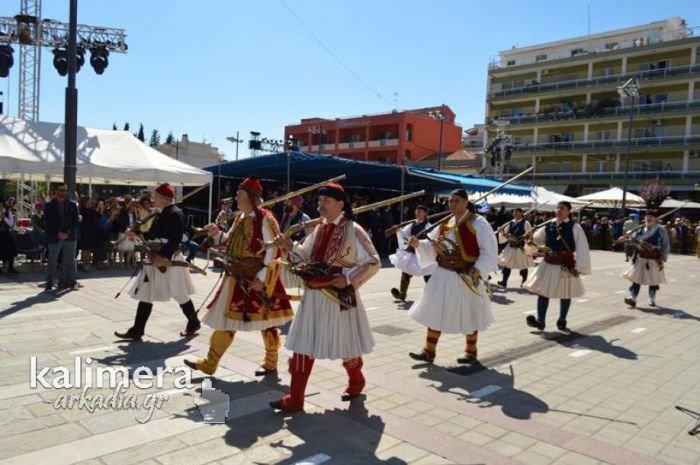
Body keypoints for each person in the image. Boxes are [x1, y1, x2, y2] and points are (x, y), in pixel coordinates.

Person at [270, 182, 380, 412]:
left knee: (347, 343)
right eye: (320, 201)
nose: (321, 205)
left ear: (340, 204)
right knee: (302, 342)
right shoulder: (318, 229)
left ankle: (356, 380)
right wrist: (289, 247)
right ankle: (296, 398)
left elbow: (373, 260)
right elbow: (303, 257)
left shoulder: (354, 230)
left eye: (326, 201)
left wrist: (349, 279)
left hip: (339, 295)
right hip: (313, 293)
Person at [185, 178, 293, 376]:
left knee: (267, 322)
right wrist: (217, 234)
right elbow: (230, 243)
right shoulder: (239, 218)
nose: (235, 197)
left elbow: (274, 251)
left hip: (257, 279)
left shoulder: (266, 219)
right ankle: (210, 362)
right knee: (226, 320)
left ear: (251, 197)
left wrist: (262, 279)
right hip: (237, 276)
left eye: (240, 194)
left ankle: (271, 362)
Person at [406, 189, 498, 364]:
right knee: (435, 309)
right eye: (450, 201)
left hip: (465, 274)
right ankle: (428, 351)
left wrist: (479, 268)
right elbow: (433, 245)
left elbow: (490, 250)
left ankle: (471, 351)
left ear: (466, 202)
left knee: (469, 312)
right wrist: (419, 244)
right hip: (442, 273)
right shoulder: (446, 223)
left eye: (456, 201)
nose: (452, 204)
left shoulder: (478, 223)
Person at [114, 183, 200, 341]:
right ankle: (137, 330)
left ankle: (193, 321)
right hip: (155, 256)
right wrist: (136, 233)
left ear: (163, 198)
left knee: (179, 292)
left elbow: (175, 238)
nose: (153, 198)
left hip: (168, 258)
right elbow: (152, 234)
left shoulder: (176, 213)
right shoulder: (161, 213)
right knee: (146, 292)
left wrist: (165, 257)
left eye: (155, 196)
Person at [524, 201, 591, 331]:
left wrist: (580, 267)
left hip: (565, 264)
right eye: (557, 208)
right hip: (549, 263)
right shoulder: (548, 225)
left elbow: (582, 248)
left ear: (568, 211)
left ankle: (562, 320)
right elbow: (537, 241)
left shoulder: (575, 227)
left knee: (565, 293)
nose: (559, 210)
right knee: (543, 292)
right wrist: (530, 238)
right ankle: (540, 321)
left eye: (562, 208)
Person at [622, 211, 670, 307]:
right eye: (647, 217)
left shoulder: (661, 229)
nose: (649, 219)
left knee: (653, 280)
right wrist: (626, 239)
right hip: (640, 257)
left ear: (655, 219)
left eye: (651, 217)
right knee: (636, 279)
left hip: (654, 258)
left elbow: (666, 243)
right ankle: (633, 298)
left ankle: (651, 298)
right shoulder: (640, 229)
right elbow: (633, 241)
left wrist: (664, 256)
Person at [389, 205, 432, 301]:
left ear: (425, 214)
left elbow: (431, 240)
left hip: (423, 253)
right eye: (416, 211)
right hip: (412, 252)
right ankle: (402, 294)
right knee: (405, 272)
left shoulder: (428, 226)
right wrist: (398, 230)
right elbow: (404, 234)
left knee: (428, 275)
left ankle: (433, 294)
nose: (417, 213)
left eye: (420, 211)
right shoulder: (412, 224)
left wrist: (420, 243)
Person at [43, 183, 80, 291]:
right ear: (56, 191)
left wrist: (67, 233)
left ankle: (72, 282)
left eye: (65, 190)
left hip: (70, 237)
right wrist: (58, 233)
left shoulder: (72, 205)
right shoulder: (49, 205)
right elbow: (48, 223)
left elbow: (76, 222)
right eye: (61, 190)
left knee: (71, 261)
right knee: (52, 261)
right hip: (55, 237)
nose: (63, 192)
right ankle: (48, 284)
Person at [278, 195, 312, 296]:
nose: (285, 203)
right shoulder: (285, 216)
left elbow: (309, 239)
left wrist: (295, 245)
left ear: (295, 205)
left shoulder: (304, 218)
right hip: (285, 255)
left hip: (298, 257)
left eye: (288, 202)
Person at [497, 207, 533, 288]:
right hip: (511, 246)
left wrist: (527, 241)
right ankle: (504, 281)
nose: (515, 214)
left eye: (517, 212)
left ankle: (524, 281)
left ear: (521, 213)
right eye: (514, 212)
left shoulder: (526, 223)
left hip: (521, 247)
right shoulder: (510, 223)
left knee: (523, 265)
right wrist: (501, 231)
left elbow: (529, 234)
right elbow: (505, 234)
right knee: (507, 264)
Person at [78, 196, 99, 272]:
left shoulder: (92, 210)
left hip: (91, 232)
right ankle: (84, 264)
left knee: (89, 249)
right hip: (84, 232)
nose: (90, 203)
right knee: (85, 249)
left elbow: (96, 216)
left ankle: (88, 264)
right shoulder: (82, 211)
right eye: (89, 202)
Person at [0, 199, 18, 273]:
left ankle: (10, 268)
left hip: (6, 234)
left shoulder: (8, 212)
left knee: (11, 250)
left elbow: (11, 224)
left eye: (1, 204)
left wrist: (5, 218)